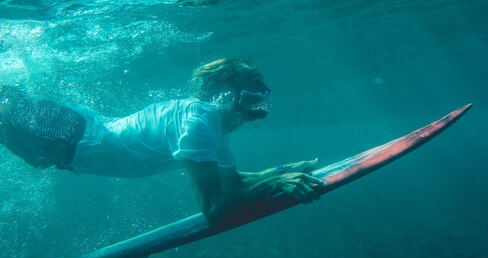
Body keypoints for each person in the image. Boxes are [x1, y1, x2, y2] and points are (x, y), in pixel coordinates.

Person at [0, 57, 322, 223]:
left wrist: (280, 172)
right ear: (225, 90)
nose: (264, 92)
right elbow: (213, 208)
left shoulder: (215, 128)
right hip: (65, 136)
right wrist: (277, 186)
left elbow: (233, 183)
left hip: (73, 139)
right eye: (254, 83)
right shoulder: (201, 122)